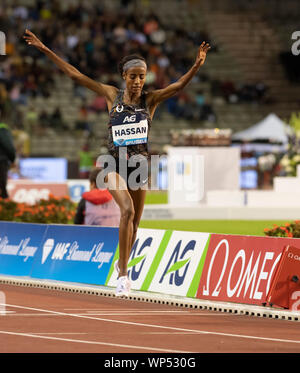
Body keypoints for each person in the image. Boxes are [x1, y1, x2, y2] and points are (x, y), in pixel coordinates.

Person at [23, 29, 210, 296]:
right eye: (133, 76)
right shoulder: (112, 95)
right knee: (127, 212)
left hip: (141, 166)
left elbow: (177, 87)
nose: (137, 82)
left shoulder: (151, 100)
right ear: (124, 76)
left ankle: (121, 265)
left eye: (142, 77)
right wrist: (44, 49)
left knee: (135, 224)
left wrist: (196, 65)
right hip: (112, 163)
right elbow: (75, 75)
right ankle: (124, 275)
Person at [0, 116, 16, 198]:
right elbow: (8, 146)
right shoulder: (2, 129)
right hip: (1, 160)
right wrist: (12, 158)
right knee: (2, 186)